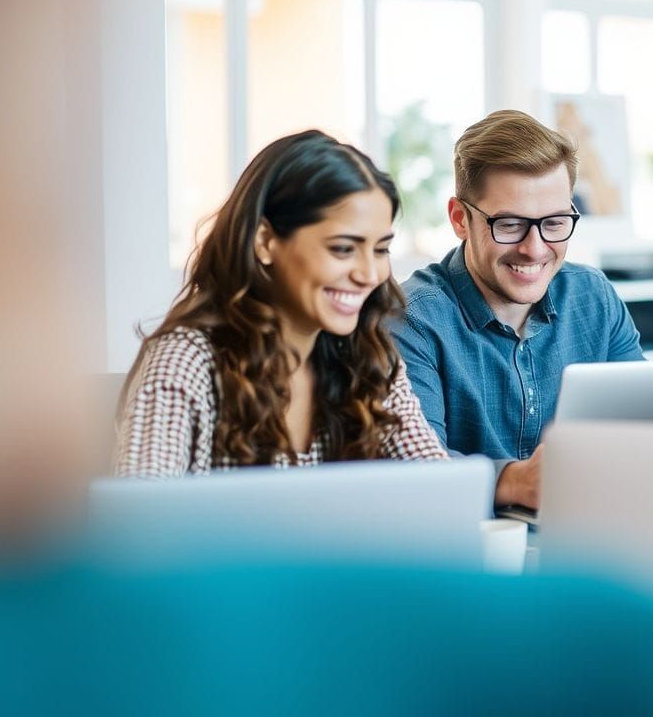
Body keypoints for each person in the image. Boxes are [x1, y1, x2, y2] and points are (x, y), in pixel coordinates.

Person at [115, 131, 448, 475]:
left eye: (381, 250)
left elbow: (436, 484)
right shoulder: (187, 360)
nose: (370, 274)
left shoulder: (367, 356)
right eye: (343, 249)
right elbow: (142, 508)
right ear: (265, 241)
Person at [393, 110, 643, 510]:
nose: (535, 249)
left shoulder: (593, 296)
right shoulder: (412, 320)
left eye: (555, 223)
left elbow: (645, 426)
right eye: (509, 224)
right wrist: (512, 482)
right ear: (460, 219)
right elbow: (414, 471)